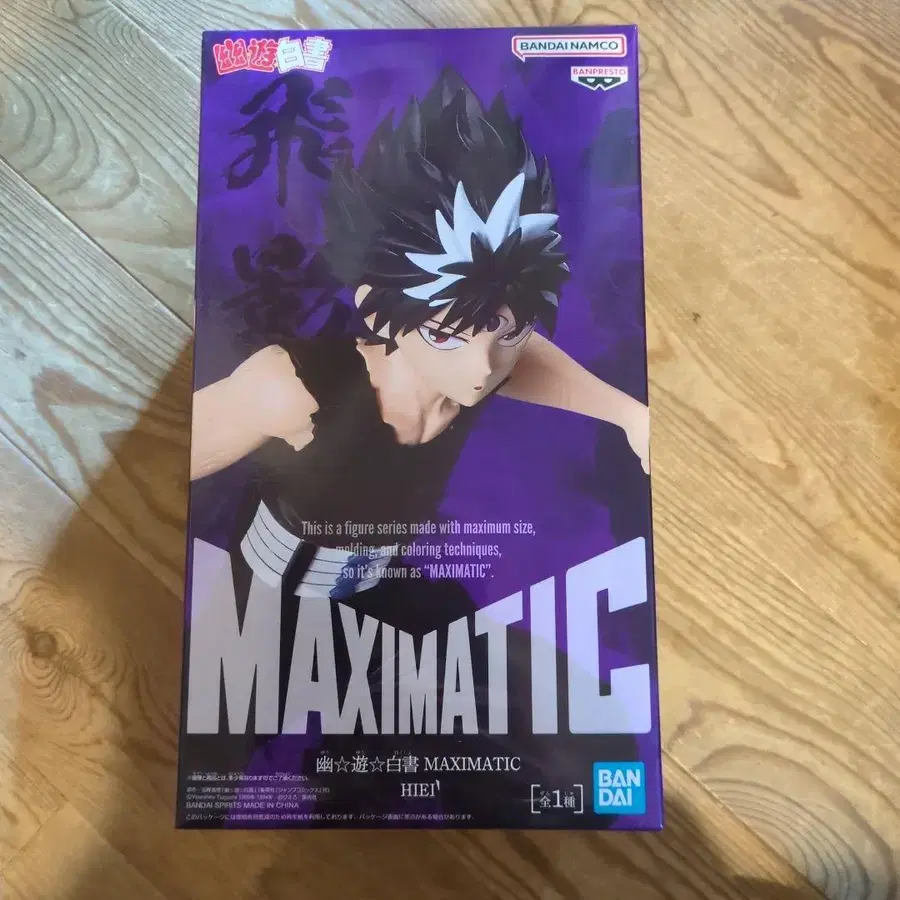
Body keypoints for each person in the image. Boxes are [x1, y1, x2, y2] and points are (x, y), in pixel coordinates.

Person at [188, 67, 647, 824]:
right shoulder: (293, 384)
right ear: (379, 309)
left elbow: (521, 355)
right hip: (267, 609)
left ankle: (364, 757)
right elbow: (178, 449)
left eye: (505, 329)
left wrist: (631, 416)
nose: (482, 366)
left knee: (588, 748)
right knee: (205, 784)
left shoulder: (486, 362)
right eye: (447, 332)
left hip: (384, 597)